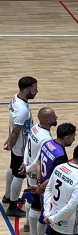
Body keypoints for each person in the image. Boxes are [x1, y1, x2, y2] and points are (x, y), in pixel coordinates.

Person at [31, 123, 77, 235]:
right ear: (67, 137)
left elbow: (38, 162)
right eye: (73, 137)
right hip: (50, 192)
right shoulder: (60, 155)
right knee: (50, 226)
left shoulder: (47, 143)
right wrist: (42, 187)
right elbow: (55, 177)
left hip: (43, 187)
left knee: (42, 217)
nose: (74, 139)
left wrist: (39, 182)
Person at [19, 108, 58, 235]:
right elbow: (39, 159)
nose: (56, 117)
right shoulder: (46, 138)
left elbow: (27, 147)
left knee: (30, 199)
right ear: (46, 120)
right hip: (36, 172)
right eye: (54, 116)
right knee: (36, 206)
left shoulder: (35, 127)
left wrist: (25, 164)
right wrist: (28, 168)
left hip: (29, 169)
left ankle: (28, 225)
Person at [3, 76, 38, 218]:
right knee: (19, 176)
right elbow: (16, 130)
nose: (37, 91)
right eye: (34, 89)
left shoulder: (15, 99)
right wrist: (11, 142)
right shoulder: (22, 110)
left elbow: (12, 124)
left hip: (17, 145)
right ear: (26, 90)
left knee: (12, 169)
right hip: (22, 147)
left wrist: (10, 140)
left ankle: (7, 196)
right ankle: (12, 207)